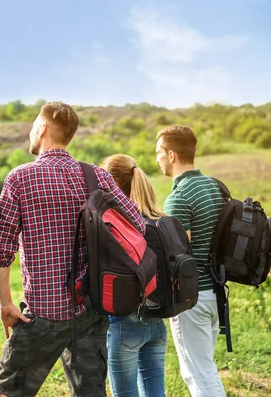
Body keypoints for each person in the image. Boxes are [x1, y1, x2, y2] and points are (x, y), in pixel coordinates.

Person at [0, 102, 146, 397]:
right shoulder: (97, 176)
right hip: (90, 308)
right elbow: (137, 224)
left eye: (34, 124)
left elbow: (1, 249)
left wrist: (6, 304)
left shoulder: (19, 178)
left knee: (10, 392)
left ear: (43, 128)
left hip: (43, 312)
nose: (31, 130)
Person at [155, 125, 226, 397]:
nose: (157, 159)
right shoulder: (213, 186)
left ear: (171, 155)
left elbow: (177, 256)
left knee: (199, 374)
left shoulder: (180, 197)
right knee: (202, 368)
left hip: (191, 299)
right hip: (215, 293)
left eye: (159, 153)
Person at [101, 154, 167, 397]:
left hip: (124, 325)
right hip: (157, 322)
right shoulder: (159, 219)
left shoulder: (119, 228)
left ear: (113, 184)